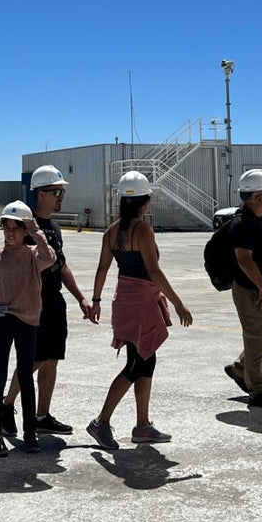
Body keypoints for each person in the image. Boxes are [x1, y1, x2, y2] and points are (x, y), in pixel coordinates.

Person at [86, 171, 193, 450]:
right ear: (144, 202)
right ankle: (101, 422)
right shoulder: (143, 230)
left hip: (124, 300)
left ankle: (142, 426)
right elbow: (154, 271)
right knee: (136, 364)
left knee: (146, 359)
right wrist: (178, 303)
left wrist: (96, 300)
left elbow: (102, 268)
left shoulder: (112, 231)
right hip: (142, 303)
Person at [0, 164, 99, 436]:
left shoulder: (53, 226)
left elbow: (62, 265)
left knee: (52, 359)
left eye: (61, 191)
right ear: (40, 193)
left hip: (54, 302)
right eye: (56, 191)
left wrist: (81, 298)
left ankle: (42, 415)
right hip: (33, 305)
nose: (60, 197)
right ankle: (6, 405)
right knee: (31, 361)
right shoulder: (26, 227)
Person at [0, 201, 56, 457]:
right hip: (2, 320)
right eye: (7, 227)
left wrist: (36, 232)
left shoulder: (32, 255)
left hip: (27, 321)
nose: (11, 232)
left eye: (17, 227)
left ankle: (30, 432)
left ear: (25, 229)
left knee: (26, 377)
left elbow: (50, 257)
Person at [223, 169, 262, 408]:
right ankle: (258, 390)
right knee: (256, 341)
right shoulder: (243, 223)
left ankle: (241, 368)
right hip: (252, 292)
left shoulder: (261, 218)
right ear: (258, 196)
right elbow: (244, 260)